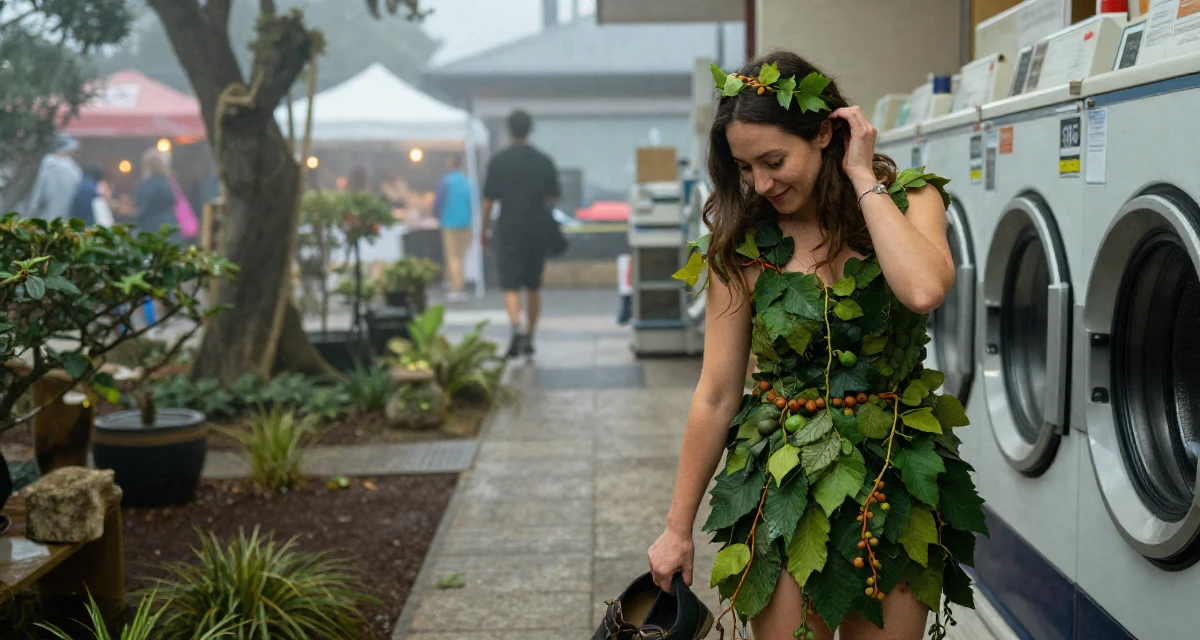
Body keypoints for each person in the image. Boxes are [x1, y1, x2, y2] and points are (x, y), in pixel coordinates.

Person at [644, 51, 981, 640]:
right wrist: (677, 529)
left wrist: (860, 177)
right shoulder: (740, 244)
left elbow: (924, 288)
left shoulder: (910, 199)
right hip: (781, 482)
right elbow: (718, 393)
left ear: (826, 132)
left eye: (774, 161)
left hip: (894, 476)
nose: (761, 184)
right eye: (746, 168)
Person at [481, 109, 561, 359]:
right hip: (536, 228)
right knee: (533, 286)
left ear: (508, 130)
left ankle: (515, 327)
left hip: (509, 228)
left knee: (510, 285)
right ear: (530, 129)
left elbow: (488, 201)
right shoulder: (543, 160)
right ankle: (530, 335)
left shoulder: (499, 161)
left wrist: (483, 231)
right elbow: (554, 197)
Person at [433, 155, 475, 302]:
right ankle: (451, 282)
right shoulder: (469, 182)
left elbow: (439, 202)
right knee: (460, 256)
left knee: (452, 256)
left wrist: (437, 215)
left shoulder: (446, 182)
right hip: (467, 223)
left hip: (450, 222)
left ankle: (456, 286)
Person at [25, 135, 83, 220]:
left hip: (44, 215)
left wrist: (33, 210)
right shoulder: (74, 170)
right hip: (65, 217)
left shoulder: (48, 163)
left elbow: (41, 191)